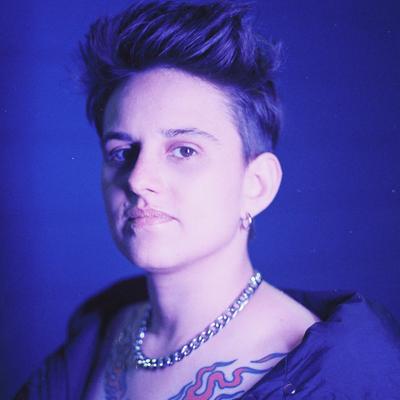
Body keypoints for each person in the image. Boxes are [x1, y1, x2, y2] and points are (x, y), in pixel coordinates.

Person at [16, 1, 400, 399]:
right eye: (121, 152)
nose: (138, 179)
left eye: (184, 150)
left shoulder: (332, 378)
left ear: (257, 185)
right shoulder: (98, 333)